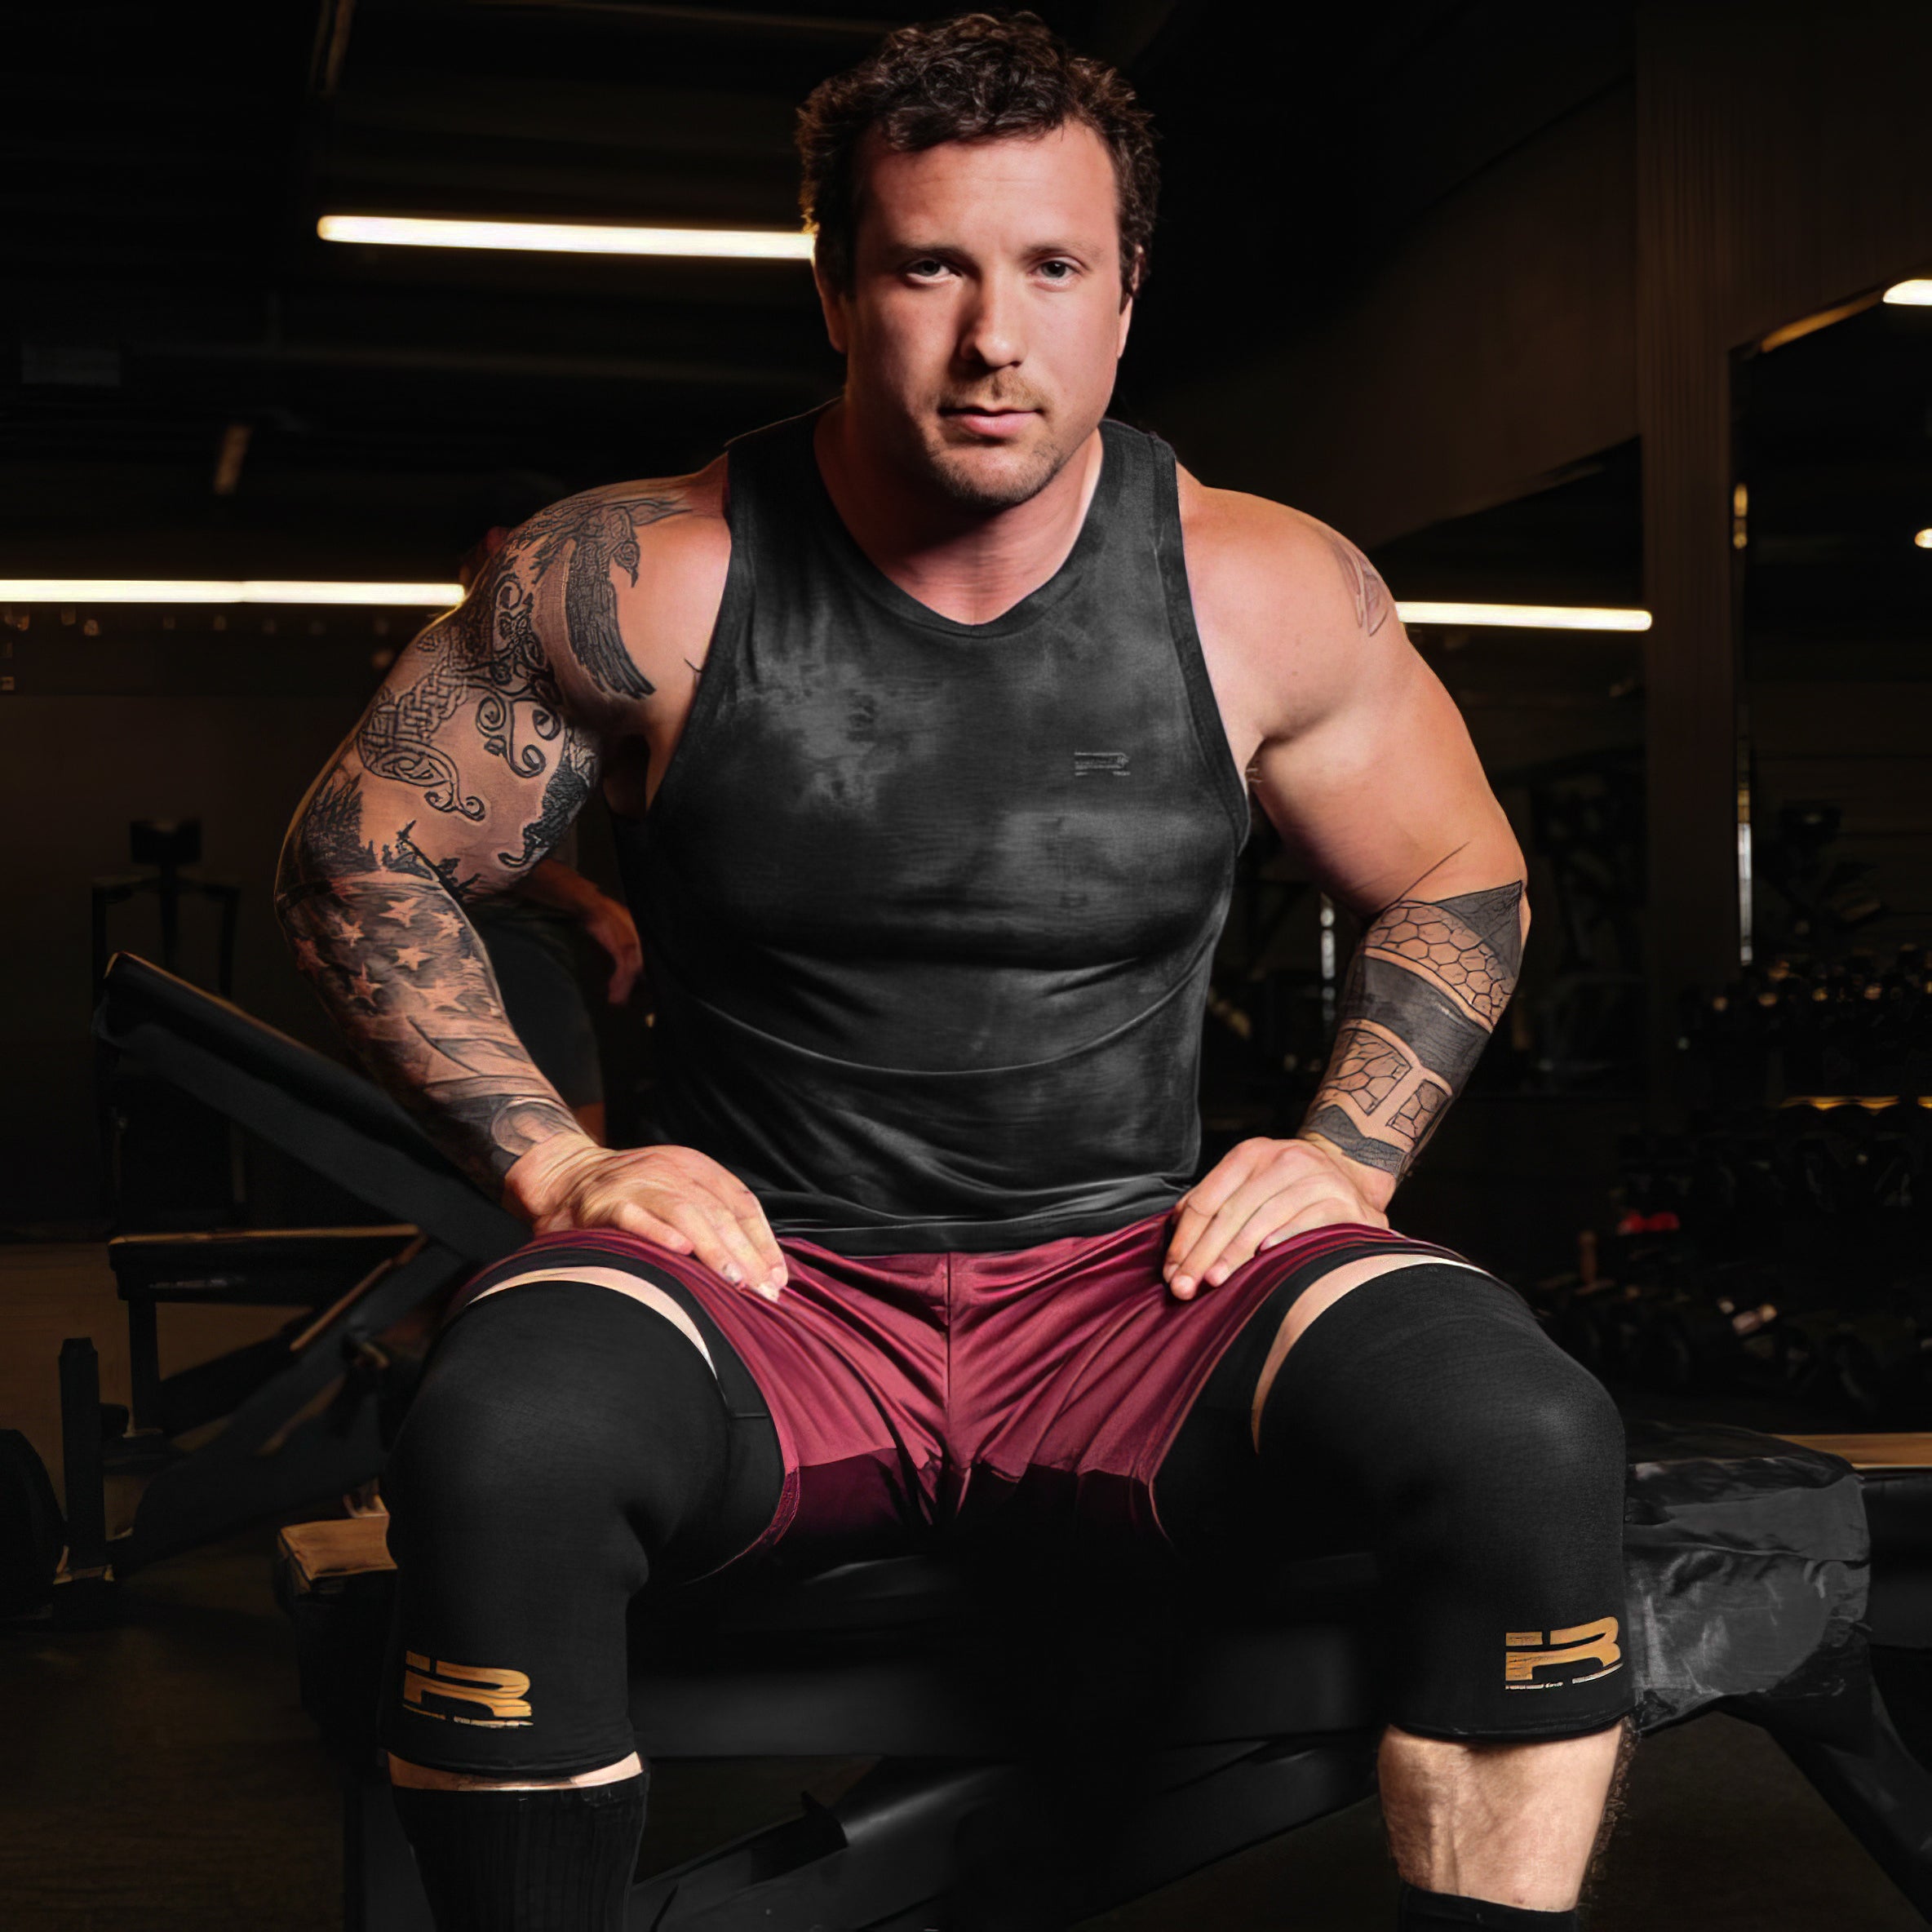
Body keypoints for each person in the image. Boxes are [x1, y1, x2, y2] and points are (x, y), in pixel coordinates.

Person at [275, 15, 1632, 1930]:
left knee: (1526, 1433)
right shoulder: (642, 574)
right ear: (835, 287)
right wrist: (560, 1164)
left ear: (1123, 293)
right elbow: (362, 856)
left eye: (1051, 268)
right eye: (930, 266)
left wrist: (1350, 1150)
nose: (995, 335)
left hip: (1129, 1286)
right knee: (501, 1442)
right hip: (763, 1290)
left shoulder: (1265, 588)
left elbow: (1453, 873)